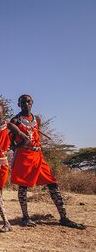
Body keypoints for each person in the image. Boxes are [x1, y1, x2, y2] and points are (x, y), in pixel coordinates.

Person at [11, 95, 85, 229]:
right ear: (18, 104)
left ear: (32, 103)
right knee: (23, 186)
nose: (26, 104)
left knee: (52, 183)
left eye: (28, 101)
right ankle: (25, 217)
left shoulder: (37, 119)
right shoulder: (15, 121)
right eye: (23, 102)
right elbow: (11, 144)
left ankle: (64, 217)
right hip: (24, 156)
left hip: (38, 155)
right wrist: (22, 142)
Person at [0, 103, 29, 232]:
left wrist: (14, 148)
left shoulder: (8, 126)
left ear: (3, 111)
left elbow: (25, 139)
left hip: (3, 164)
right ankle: (5, 222)